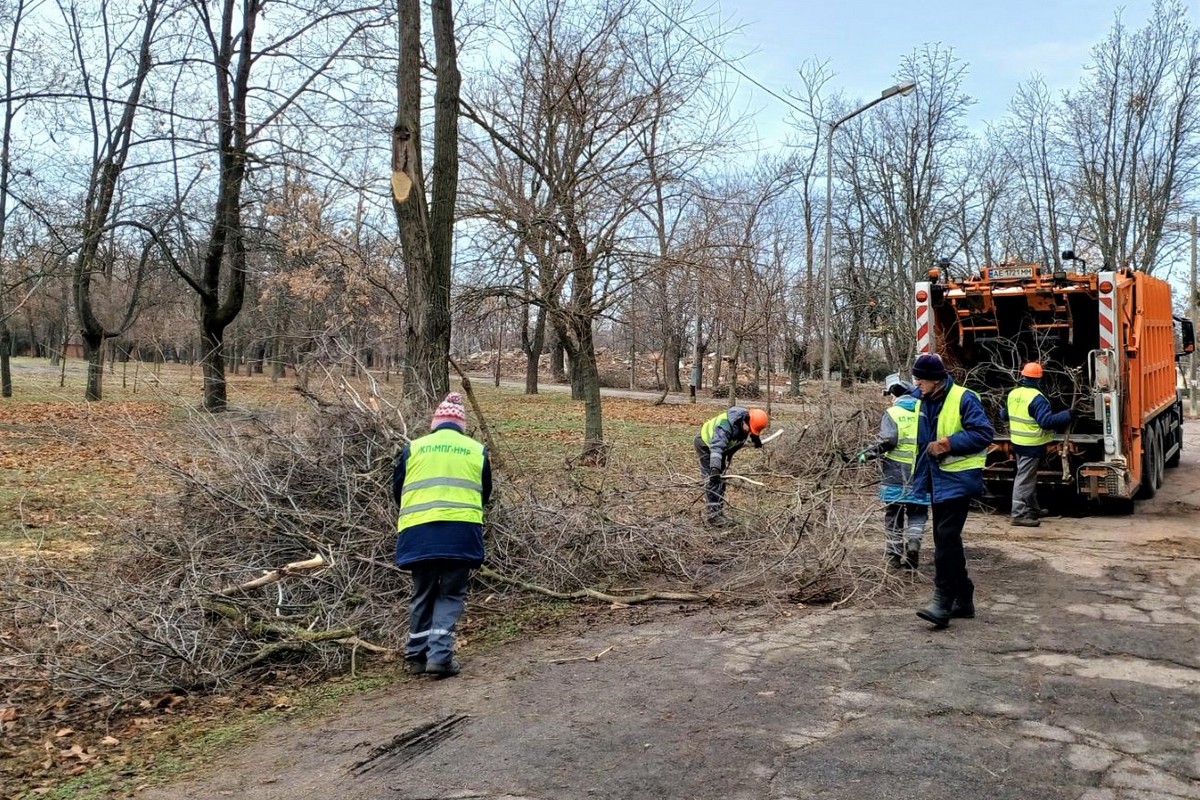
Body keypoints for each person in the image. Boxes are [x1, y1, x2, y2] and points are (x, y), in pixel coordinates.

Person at [392, 391, 492, 678]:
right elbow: (485, 492)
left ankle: (416, 657)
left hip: (418, 531)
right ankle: (441, 657)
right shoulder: (476, 450)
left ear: (435, 424)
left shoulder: (414, 449)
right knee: (450, 594)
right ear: (461, 425)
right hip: (461, 533)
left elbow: (398, 490)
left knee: (422, 592)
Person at [909, 353, 994, 629]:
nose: (917, 383)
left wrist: (946, 444)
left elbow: (983, 433)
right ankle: (964, 597)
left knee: (945, 538)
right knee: (947, 540)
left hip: (959, 478)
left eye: (921, 378)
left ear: (935, 379)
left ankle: (942, 601)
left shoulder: (964, 398)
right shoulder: (922, 398)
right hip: (936, 479)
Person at [858, 374, 930, 569]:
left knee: (894, 515)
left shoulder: (893, 413)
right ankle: (914, 541)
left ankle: (894, 555)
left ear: (895, 395)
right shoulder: (924, 411)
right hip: (921, 475)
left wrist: (865, 454)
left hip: (895, 475)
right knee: (918, 512)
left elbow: (888, 441)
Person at [1000, 362, 1072, 527]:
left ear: (1022, 375)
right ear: (1039, 379)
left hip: (1017, 442)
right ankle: (1018, 514)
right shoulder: (1038, 399)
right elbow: (1046, 422)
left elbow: (1003, 414)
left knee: (1028, 477)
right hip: (1031, 445)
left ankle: (1033, 508)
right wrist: (1066, 414)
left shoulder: (1013, 393)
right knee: (1024, 479)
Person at [695, 406, 769, 526]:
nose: (749, 432)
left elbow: (747, 431)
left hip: (719, 449)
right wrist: (715, 468)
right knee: (713, 480)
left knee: (721, 480)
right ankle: (713, 516)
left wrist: (755, 438)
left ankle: (718, 512)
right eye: (749, 430)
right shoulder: (725, 426)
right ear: (745, 420)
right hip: (706, 445)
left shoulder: (745, 422)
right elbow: (717, 447)